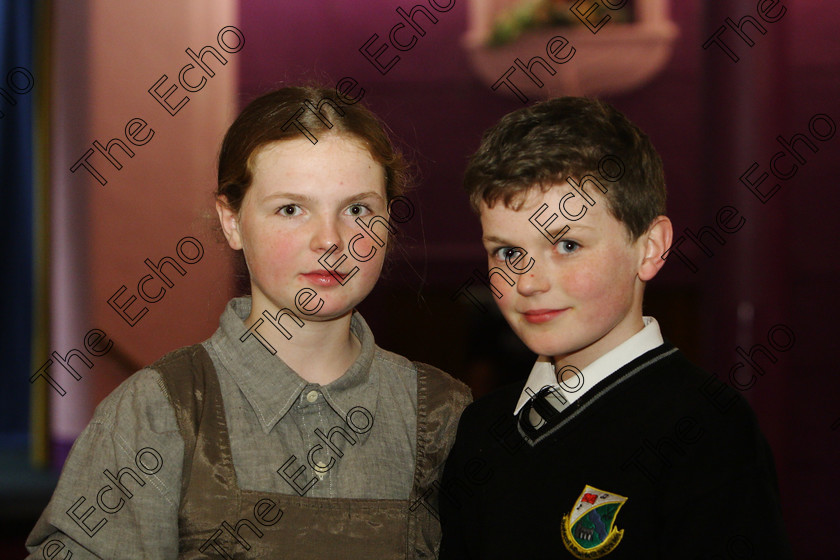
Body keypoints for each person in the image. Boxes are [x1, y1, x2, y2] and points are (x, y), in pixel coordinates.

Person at [26, 86, 471, 559]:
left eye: (357, 210)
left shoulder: (444, 414)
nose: (330, 239)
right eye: (291, 209)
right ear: (232, 220)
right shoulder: (161, 411)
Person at [438, 97, 791, 558]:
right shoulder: (481, 428)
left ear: (649, 248)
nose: (527, 282)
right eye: (506, 252)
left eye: (567, 244)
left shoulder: (707, 428)